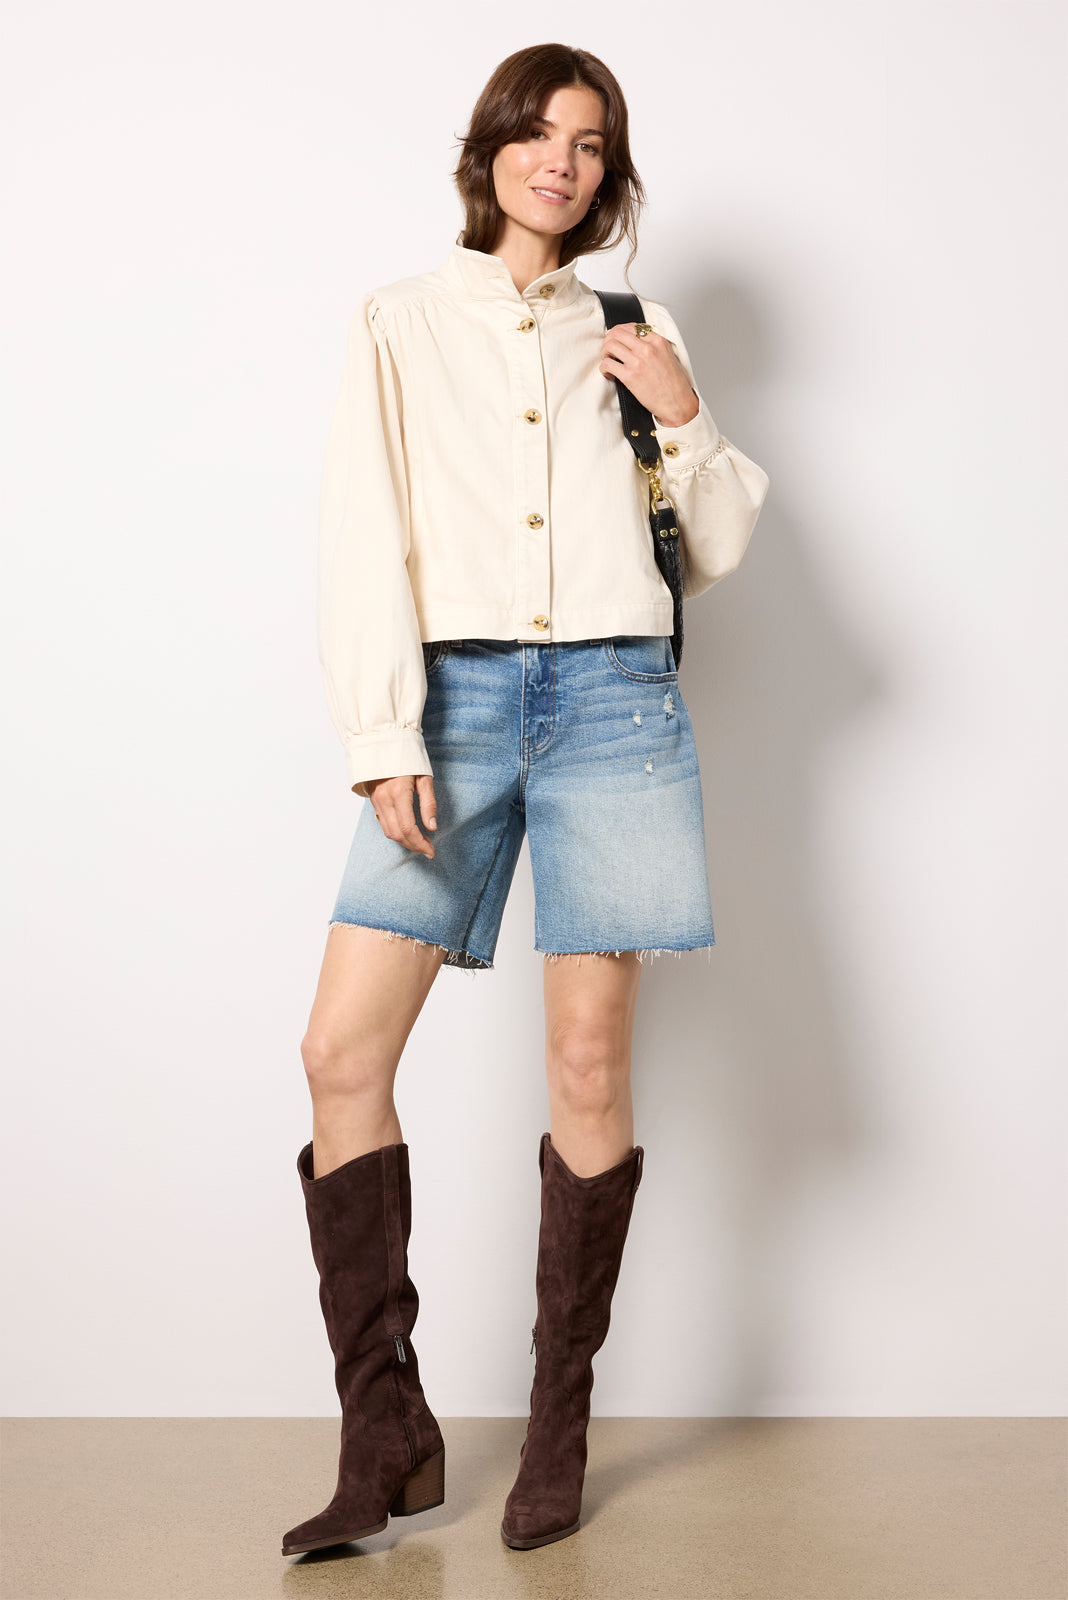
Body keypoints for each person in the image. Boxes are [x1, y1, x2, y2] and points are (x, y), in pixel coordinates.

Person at [282, 42, 770, 1559]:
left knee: (585, 1059)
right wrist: (385, 731)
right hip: (455, 708)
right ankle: (387, 1432)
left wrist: (685, 413)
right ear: (490, 147)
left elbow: (717, 549)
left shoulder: (635, 328)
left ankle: (559, 1425)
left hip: (617, 705)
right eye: (538, 132)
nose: (561, 160)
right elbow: (364, 535)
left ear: (609, 172)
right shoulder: (401, 321)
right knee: (340, 1050)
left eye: (591, 141)